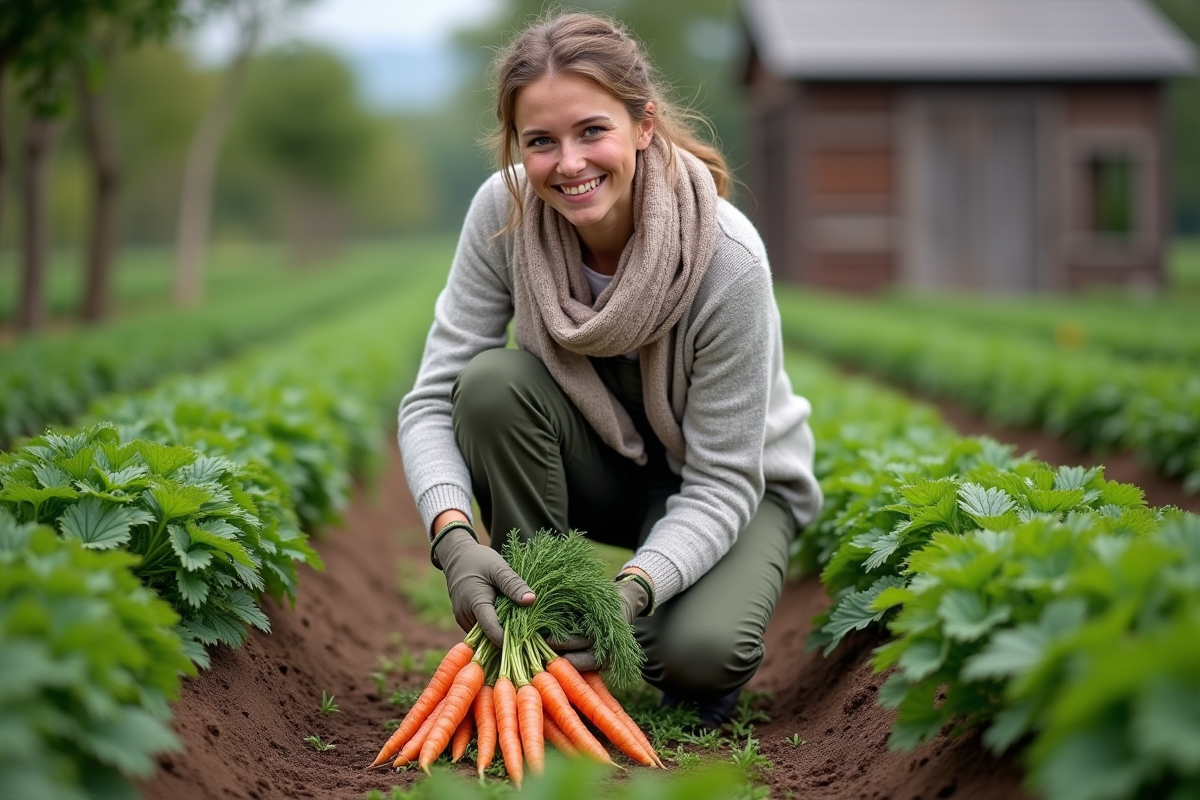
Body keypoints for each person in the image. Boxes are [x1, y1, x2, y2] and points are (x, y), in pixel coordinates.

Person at [398, 10, 822, 729]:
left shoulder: (726, 259)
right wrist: (453, 534)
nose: (569, 164)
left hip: (730, 484)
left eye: (592, 130)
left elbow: (721, 480)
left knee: (696, 655)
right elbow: (432, 399)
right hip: (599, 465)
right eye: (541, 142)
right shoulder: (503, 215)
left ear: (643, 126)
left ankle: (647, 641)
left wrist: (634, 590)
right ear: (516, 148)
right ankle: (533, 630)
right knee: (490, 388)